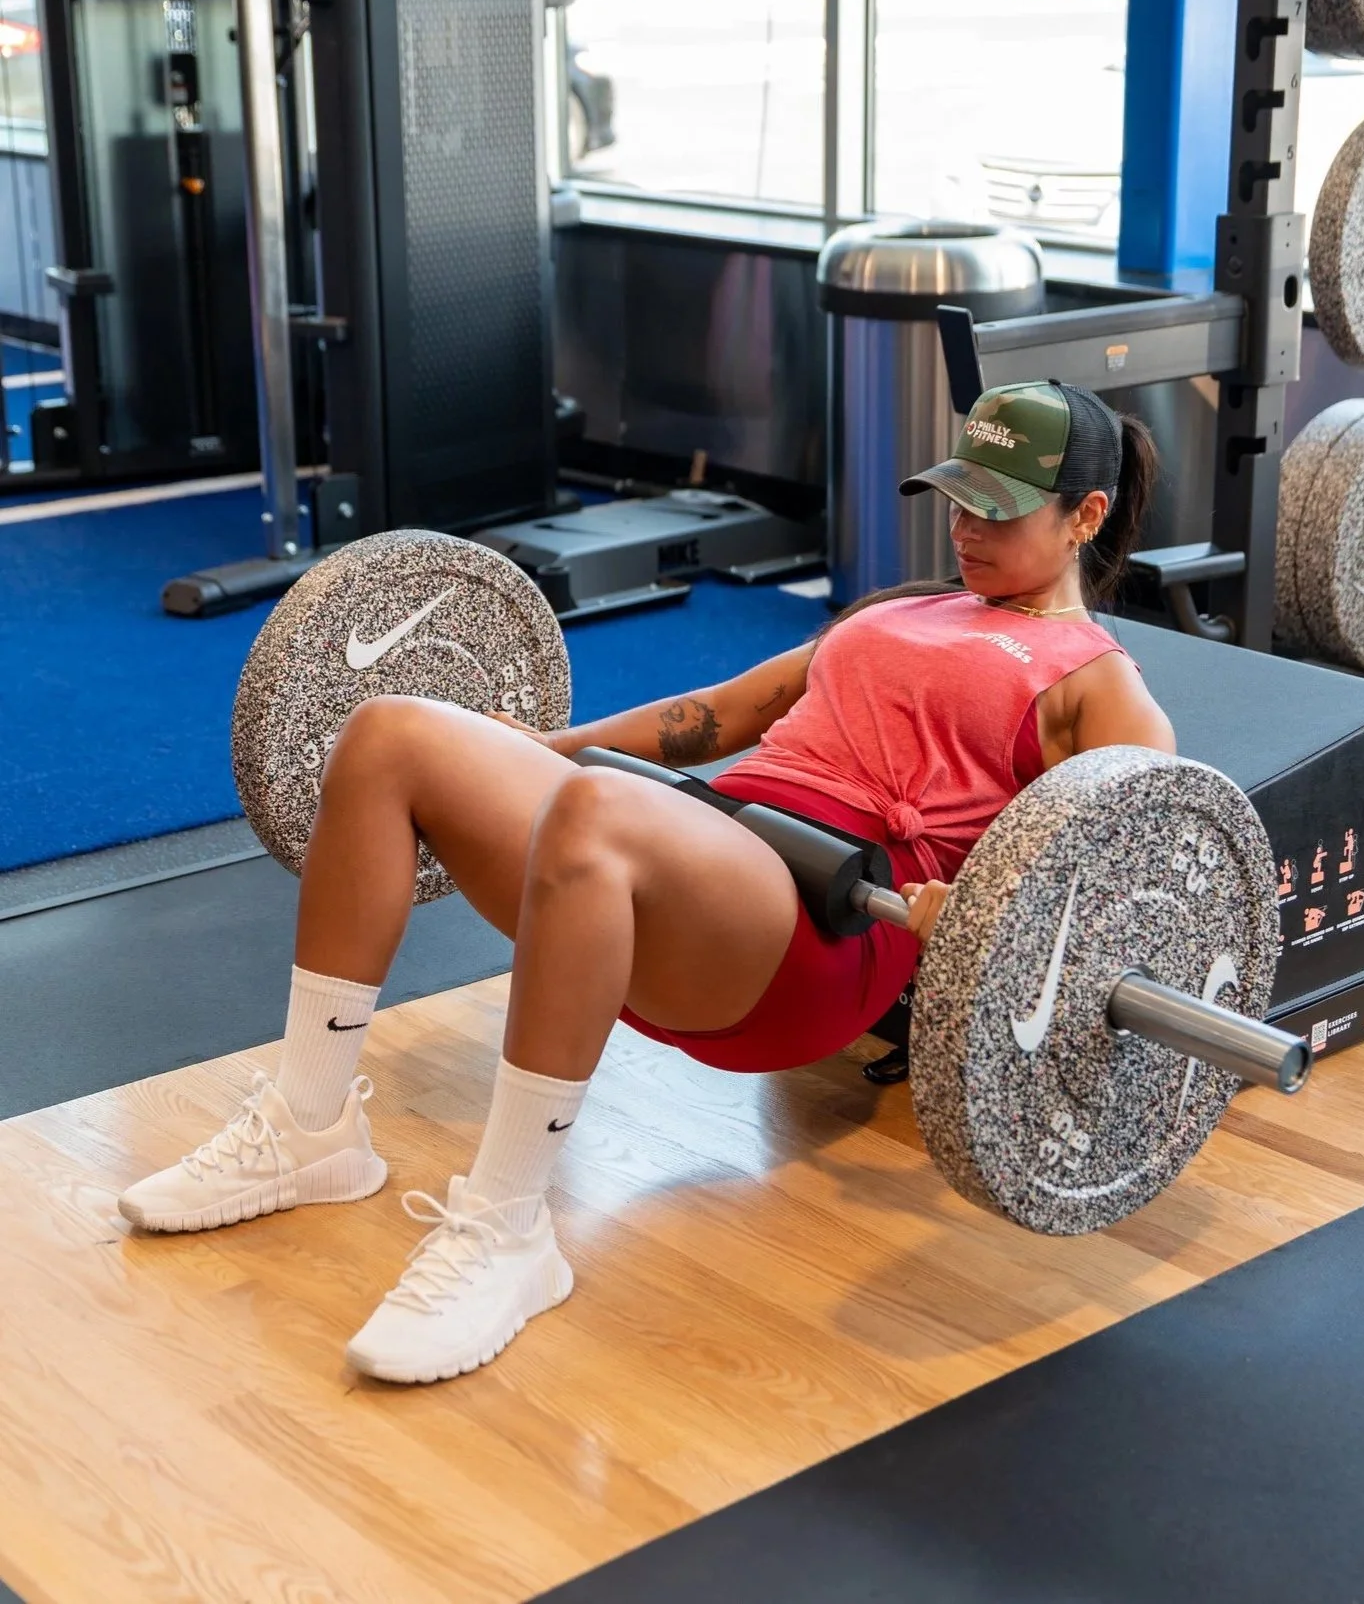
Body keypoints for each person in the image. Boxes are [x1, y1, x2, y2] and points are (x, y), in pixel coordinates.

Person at [118, 379, 1176, 1385]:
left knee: (599, 811)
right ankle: (310, 1126)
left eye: (998, 509)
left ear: (1084, 515)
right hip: (698, 851)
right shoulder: (905, 611)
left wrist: (987, 903)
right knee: (391, 733)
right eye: (957, 498)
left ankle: (506, 1226)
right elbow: (723, 713)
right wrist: (543, 747)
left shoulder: (1096, 682)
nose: (966, 528)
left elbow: (1134, 870)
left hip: (823, 927)